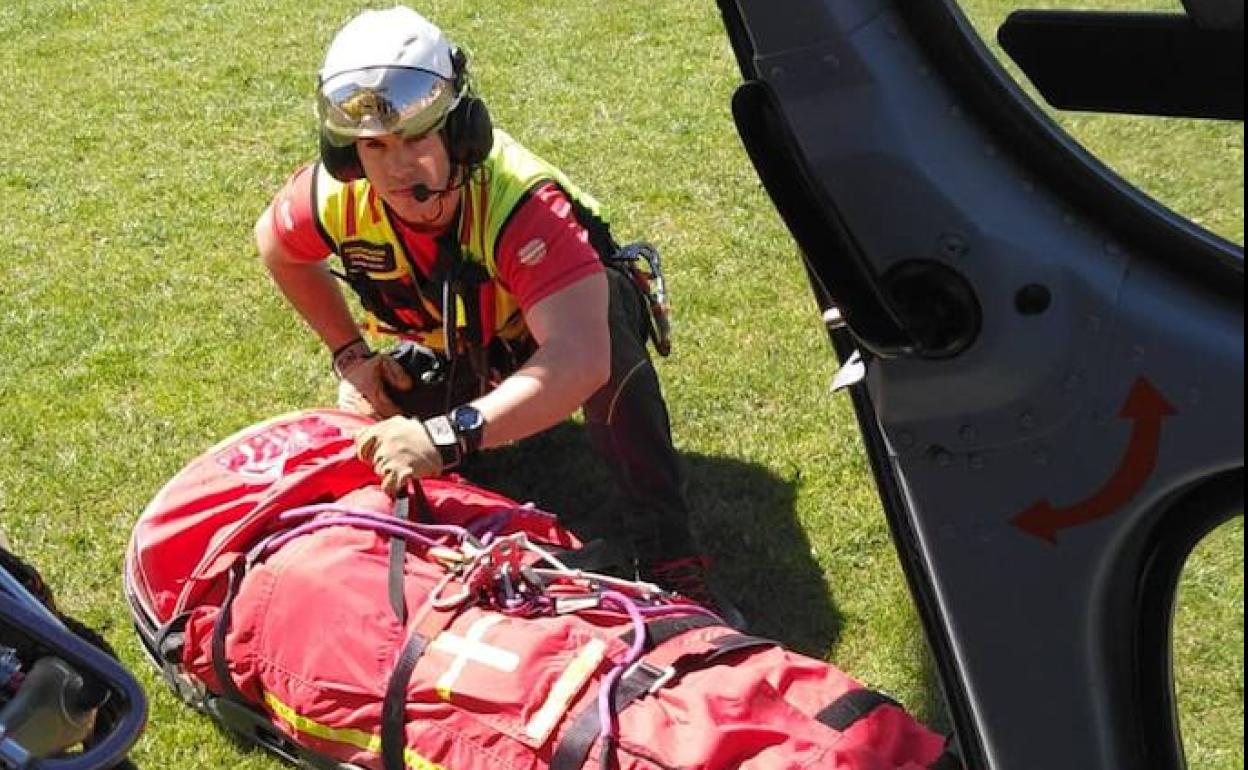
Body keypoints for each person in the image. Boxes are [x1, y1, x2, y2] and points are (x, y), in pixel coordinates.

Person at [253, 5, 740, 623]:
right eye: (374, 146)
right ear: (348, 153)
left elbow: (577, 358)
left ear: (461, 133)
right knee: (371, 428)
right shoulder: (333, 193)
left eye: (416, 139)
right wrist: (351, 357)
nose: (398, 167)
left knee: (608, 343)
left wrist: (439, 436)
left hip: (562, 336)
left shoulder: (520, 201)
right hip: (457, 341)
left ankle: (672, 558)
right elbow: (278, 249)